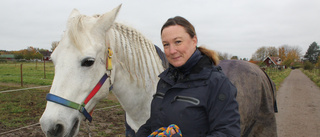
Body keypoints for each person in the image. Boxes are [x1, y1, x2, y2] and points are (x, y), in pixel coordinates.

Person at [136, 16, 240, 137]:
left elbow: (228, 133)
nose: (172, 50)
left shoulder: (217, 83)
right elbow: (155, 122)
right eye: (166, 44)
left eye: (178, 42)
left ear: (194, 40)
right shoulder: (165, 80)